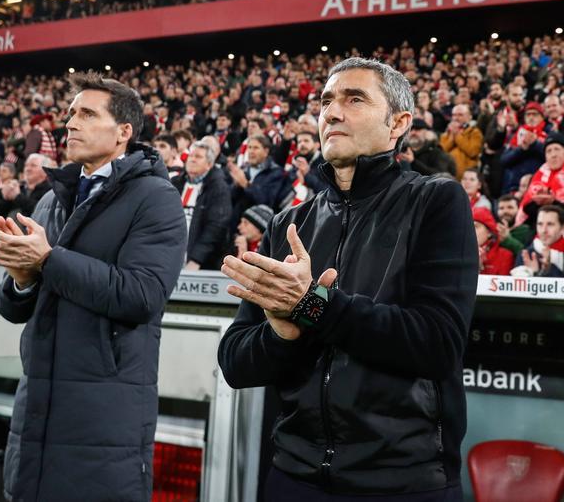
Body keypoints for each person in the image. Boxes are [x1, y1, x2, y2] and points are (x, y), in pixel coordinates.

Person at [217, 57, 477, 500]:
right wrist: (281, 334)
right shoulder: (288, 223)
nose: (331, 112)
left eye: (354, 99)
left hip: (401, 481)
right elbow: (236, 363)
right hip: (293, 475)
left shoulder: (435, 201)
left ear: (398, 124)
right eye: (325, 102)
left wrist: (312, 306)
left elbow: (438, 344)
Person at [0, 72, 186, 502]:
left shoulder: (156, 197)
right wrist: (20, 277)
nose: (71, 123)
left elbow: (141, 295)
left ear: (123, 132)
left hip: (104, 417)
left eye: (87, 114)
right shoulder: (50, 198)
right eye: (71, 114)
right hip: (37, 404)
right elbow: (15, 307)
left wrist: (46, 260)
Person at [174, 141, 232, 270]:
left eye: (198, 157)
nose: (192, 160)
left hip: (199, 264)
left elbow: (216, 227)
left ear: (209, 164)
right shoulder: (175, 183)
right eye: (191, 156)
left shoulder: (219, 188)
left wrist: (196, 259)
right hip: (169, 257)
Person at [516, 132, 564, 224]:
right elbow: (527, 210)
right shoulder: (537, 177)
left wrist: (553, 202)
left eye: (557, 149)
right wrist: (538, 202)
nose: (553, 155)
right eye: (549, 151)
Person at [228, 134, 288, 215]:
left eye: (256, 148)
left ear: (266, 152)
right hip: (238, 221)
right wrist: (236, 186)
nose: (251, 151)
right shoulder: (243, 169)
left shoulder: (276, 173)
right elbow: (230, 199)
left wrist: (246, 185)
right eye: (249, 147)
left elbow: (267, 202)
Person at [515, 204, 564, 277]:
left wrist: (549, 268)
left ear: (563, 228)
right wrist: (532, 274)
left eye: (550, 224)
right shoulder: (526, 255)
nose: (544, 230)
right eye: (540, 224)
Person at [440, 104, 482, 179]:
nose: (456, 118)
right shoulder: (446, 134)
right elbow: (441, 152)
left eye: (460, 115)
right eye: (454, 115)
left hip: (466, 177)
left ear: (469, 117)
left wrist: (456, 135)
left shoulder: (475, 132)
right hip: (447, 175)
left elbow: (473, 152)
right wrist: (451, 138)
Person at [473, 206, 514, 276]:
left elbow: (501, 285)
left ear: (489, 232)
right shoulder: (458, 253)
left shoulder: (505, 256)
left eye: (475, 226)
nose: (470, 231)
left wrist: (481, 268)